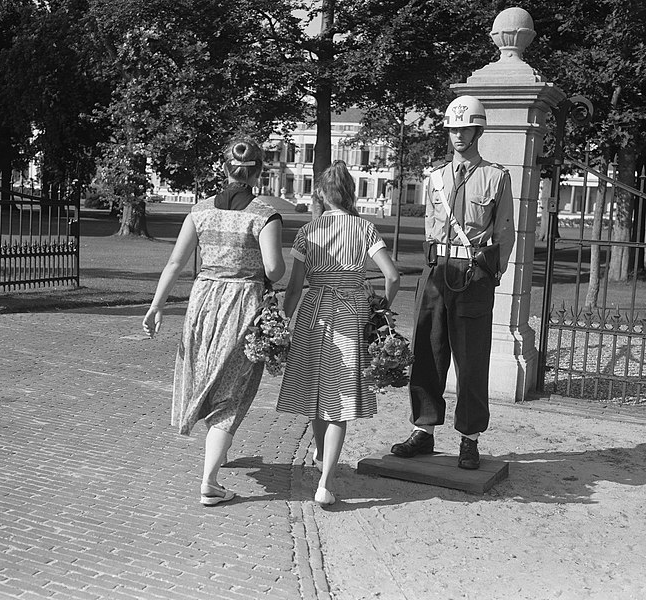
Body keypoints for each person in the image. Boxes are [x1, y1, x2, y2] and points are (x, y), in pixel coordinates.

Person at [142, 139, 285, 505]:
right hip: (242, 304)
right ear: (258, 173)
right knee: (231, 394)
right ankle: (209, 480)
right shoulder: (263, 214)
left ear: (224, 169)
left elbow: (175, 262)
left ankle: (214, 454)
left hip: (203, 301)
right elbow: (273, 269)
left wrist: (157, 306)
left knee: (206, 374)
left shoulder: (200, 211)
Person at [390, 95, 515, 470]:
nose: (458, 135)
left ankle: (469, 438)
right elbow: (430, 225)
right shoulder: (435, 176)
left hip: (473, 275)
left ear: (478, 130)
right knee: (427, 352)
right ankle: (423, 430)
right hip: (435, 272)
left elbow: (505, 231)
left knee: (471, 358)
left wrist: (493, 271)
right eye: (453, 129)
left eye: (465, 128)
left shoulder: (496, 176)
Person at [276, 160, 401, 506]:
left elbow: (294, 287)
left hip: (314, 314)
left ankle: (321, 458)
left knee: (318, 395)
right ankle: (326, 482)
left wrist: (281, 322)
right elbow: (392, 276)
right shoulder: (364, 229)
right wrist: (381, 311)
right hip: (351, 314)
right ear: (351, 193)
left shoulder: (308, 232)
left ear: (319, 192)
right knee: (341, 401)